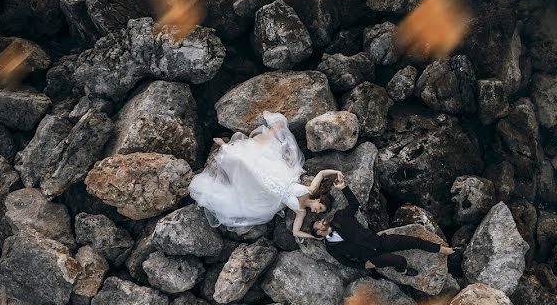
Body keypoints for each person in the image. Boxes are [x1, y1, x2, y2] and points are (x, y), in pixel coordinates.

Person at [189, 111, 342, 233]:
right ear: (319, 201)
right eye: (320, 208)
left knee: (246, 171)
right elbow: (322, 173)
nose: (316, 211)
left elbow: (296, 231)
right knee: (252, 160)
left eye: (318, 212)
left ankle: (227, 151)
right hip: (278, 175)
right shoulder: (311, 189)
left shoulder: (301, 212)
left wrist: (314, 237)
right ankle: (227, 147)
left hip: (267, 189)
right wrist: (336, 172)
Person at [310, 174, 457, 275]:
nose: (322, 221)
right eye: (318, 224)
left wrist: (344, 188)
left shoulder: (340, 217)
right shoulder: (331, 247)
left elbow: (354, 204)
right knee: (400, 261)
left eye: (320, 220)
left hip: (379, 241)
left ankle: (446, 250)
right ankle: (404, 272)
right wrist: (364, 265)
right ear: (318, 233)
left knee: (414, 241)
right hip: (370, 257)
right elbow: (345, 262)